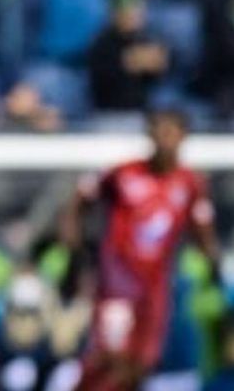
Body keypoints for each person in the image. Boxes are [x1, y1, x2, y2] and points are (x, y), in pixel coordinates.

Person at [60, 109, 220, 390]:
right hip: (117, 287)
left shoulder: (190, 183)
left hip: (155, 289)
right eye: (159, 131)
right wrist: (74, 251)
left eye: (171, 132)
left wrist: (214, 269)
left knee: (141, 365)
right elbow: (78, 202)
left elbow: (202, 230)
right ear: (149, 135)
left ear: (183, 137)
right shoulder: (122, 173)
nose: (164, 139)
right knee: (108, 360)